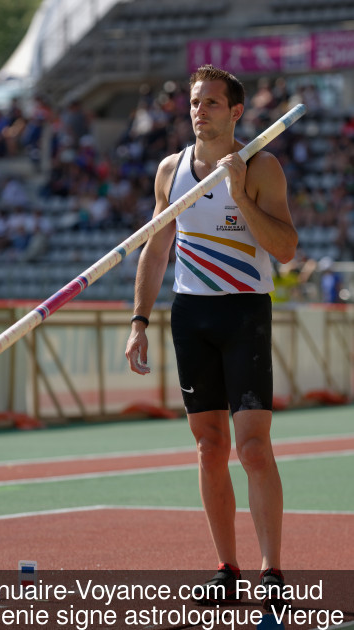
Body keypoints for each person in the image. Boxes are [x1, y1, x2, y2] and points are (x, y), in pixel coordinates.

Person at [125, 65, 298, 609]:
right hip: (191, 316)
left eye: (213, 104)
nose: (201, 111)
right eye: (196, 103)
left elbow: (286, 247)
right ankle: (227, 569)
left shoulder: (261, 166)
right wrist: (139, 321)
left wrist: (237, 190)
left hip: (244, 313)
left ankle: (272, 575)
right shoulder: (170, 171)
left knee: (251, 446)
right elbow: (156, 249)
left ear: (236, 112)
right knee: (208, 447)